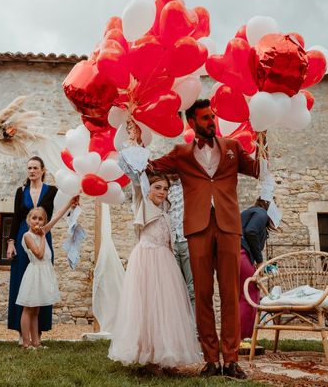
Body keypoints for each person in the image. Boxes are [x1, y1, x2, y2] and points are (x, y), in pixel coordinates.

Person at [148, 99, 260, 379]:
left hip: (228, 227)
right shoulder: (181, 153)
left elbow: (257, 169)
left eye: (212, 117)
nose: (212, 121)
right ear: (192, 123)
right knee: (203, 295)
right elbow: (151, 168)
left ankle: (232, 359)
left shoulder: (233, 148)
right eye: (206, 118)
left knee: (231, 294)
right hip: (197, 228)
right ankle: (211, 359)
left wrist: (264, 148)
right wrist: (136, 145)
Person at [108, 173, 200, 374]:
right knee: (148, 307)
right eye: (157, 187)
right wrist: (135, 144)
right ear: (148, 188)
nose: (162, 192)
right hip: (146, 261)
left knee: (166, 308)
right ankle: (150, 358)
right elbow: (136, 180)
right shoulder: (141, 203)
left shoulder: (165, 211)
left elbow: (167, 238)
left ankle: (167, 357)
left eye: (165, 189)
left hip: (165, 261)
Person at [6, 156, 57, 338]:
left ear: (43, 170)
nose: (32, 171)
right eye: (29, 168)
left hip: (43, 237)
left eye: (35, 168)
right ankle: (22, 332)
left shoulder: (52, 191)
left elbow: (58, 213)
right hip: (23, 237)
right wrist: (11, 242)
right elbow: (15, 217)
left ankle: (39, 331)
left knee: (41, 281)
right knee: (22, 282)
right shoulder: (21, 191)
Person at [17, 196, 78, 349]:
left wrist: (69, 203)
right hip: (34, 273)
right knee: (28, 308)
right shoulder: (27, 236)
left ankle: (36, 342)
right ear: (28, 220)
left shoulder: (43, 230)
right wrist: (43, 236)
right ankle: (26, 342)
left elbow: (57, 217)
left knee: (36, 310)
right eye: (34, 218)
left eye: (40, 219)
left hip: (44, 273)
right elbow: (39, 254)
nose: (37, 222)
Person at [239, 198, 272, 340]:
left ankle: (232, 338)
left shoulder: (250, 212)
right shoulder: (261, 212)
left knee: (237, 295)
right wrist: (259, 261)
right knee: (250, 293)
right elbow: (251, 231)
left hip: (233, 253)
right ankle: (244, 337)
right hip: (240, 254)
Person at [167, 174, 195, 314]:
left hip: (188, 240)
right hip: (170, 243)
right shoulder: (164, 188)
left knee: (193, 288)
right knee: (175, 289)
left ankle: (196, 330)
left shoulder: (191, 185)